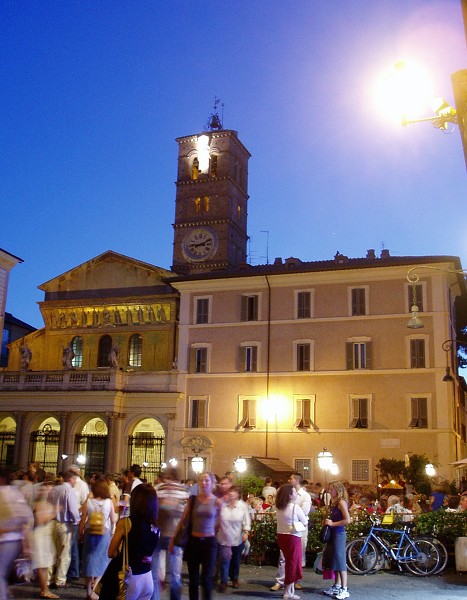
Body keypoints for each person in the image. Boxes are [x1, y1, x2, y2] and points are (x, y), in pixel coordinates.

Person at [170, 472, 222, 600]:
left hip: (209, 543)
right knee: (193, 579)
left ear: (212, 483)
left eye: (207, 481)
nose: (204, 483)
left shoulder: (217, 502)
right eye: (201, 480)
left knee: (206, 579)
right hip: (194, 542)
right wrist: (173, 538)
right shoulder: (192, 500)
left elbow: (219, 522)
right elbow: (183, 519)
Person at [108, 483, 159, 600]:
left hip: (130, 577)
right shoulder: (156, 526)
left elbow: (110, 552)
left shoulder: (126, 523)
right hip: (147, 577)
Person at [152, 467, 189, 600]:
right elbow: (185, 514)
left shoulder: (158, 489)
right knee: (175, 574)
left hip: (160, 534)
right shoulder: (183, 492)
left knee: (155, 572)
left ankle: (155, 597)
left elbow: (152, 509)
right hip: (174, 535)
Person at [271, 473, 311, 592]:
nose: (289, 480)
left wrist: (291, 515)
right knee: (285, 557)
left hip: (298, 529)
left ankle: (295, 580)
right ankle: (281, 581)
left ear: (297, 480)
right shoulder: (287, 495)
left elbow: (304, 512)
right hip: (289, 529)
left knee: (298, 557)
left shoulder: (304, 496)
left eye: (291, 478)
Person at [80, 479, 117, 600]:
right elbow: (113, 519)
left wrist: (81, 533)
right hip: (104, 533)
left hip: (89, 532)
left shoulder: (88, 502)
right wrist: (112, 533)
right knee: (102, 560)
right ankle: (95, 589)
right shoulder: (109, 502)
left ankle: (89, 591)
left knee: (88, 559)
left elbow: (83, 519)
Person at [0, 467, 34, 600]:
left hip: (6, 538)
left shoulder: (6, 493)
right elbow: (26, 518)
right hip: (14, 539)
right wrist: (27, 543)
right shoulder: (14, 492)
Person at [217, 485, 251, 591]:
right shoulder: (223, 505)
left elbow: (247, 520)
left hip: (237, 537)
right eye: (230, 491)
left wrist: (246, 532)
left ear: (238, 494)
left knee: (235, 560)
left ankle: (234, 578)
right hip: (224, 537)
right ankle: (224, 581)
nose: (231, 493)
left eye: (234, 492)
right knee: (224, 560)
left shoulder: (243, 506)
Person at [322, 481, 351, 599]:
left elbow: (347, 520)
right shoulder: (334, 503)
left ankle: (344, 588)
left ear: (338, 490)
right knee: (335, 560)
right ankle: (337, 585)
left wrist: (332, 524)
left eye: (331, 489)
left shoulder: (341, 503)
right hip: (334, 534)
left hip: (338, 534)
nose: (329, 491)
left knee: (340, 560)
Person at [31, 473, 58, 599]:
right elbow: (41, 518)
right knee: (43, 564)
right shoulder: (41, 501)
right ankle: (44, 590)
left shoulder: (43, 500)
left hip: (44, 535)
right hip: (41, 535)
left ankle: (45, 588)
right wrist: (55, 513)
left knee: (46, 563)